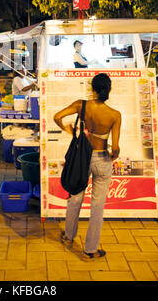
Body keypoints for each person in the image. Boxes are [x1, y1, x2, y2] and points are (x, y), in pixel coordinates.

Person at [53, 73, 121, 259]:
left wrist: (67, 128)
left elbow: (57, 116)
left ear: (92, 89)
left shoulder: (81, 105)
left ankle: (68, 235)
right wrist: (114, 154)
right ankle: (90, 250)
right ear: (109, 89)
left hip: (82, 159)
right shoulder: (115, 115)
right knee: (97, 206)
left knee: (75, 198)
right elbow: (115, 148)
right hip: (102, 160)